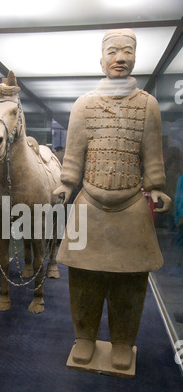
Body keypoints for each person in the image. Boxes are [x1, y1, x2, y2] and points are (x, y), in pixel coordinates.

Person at [54, 29, 171, 371]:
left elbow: (152, 155)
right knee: (83, 280)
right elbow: (74, 155)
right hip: (89, 204)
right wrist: (66, 184)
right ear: (101, 60)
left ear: (135, 58)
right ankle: (84, 338)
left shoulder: (148, 105)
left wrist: (157, 187)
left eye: (127, 52)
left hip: (132, 205)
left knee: (129, 282)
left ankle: (122, 341)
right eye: (113, 52)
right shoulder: (84, 104)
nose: (120, 58)